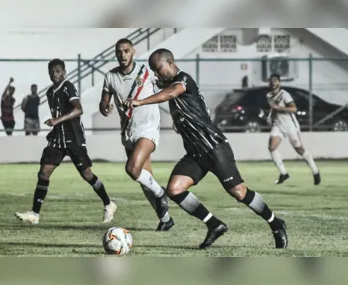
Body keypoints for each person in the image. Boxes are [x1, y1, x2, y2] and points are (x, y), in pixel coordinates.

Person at [124, 48, 288, 249]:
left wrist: (140, 101)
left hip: (214, 147)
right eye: (154, 71)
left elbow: (172, 92)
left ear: (170, 62)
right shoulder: (167, 83)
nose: (157, 74)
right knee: (175, 189)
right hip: (195, 153)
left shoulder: (183, 80)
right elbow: (160, 87)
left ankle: (275, 223)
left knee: (239, 192)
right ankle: (214, 225)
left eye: (158, 69)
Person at [15, 59, 116, 224]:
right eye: (52, 71)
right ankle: (35, 214)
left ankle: (108, 204)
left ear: (64, 72)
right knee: (44, 172)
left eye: (58, 70)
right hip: (57, 139)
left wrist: (56, 120)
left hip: (73, 138)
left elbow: (78, 109)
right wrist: (56, 125)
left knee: (87, 174)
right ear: (49, 73)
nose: (55, 74)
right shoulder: (49, 93)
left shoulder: (68, 86)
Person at [99, 38, 174, 231]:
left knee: (132, 169)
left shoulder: (147, 72)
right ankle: (165, 219)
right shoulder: (110, 77)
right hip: (128, 131)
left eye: (126, 51)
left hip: (148, 128)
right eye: (119, 52)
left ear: (134, 52)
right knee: (144, 179)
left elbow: (167, 87)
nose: (122, 55)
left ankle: (161, 193)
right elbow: (104, 102)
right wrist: (105, 107)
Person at [267, 74, 321, 185]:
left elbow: (294, 109)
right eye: (271, 81)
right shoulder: (269, 95)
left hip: (290, 125)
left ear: (279, 82)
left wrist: (280, 108)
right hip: (278, 125)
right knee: (272, 147)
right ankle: (283, 173)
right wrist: (270, 116)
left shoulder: (285, 95)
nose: (273, 83)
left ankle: (315, 171)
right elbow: (273, 109)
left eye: (275, 81)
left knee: (299, 149)